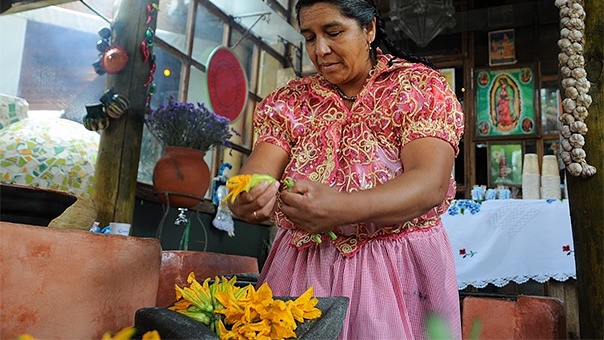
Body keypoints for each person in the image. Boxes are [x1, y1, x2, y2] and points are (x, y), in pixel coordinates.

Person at [227, 0, 464, 338]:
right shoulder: (291, 102)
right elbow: (255, 173)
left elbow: (429, 184)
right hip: (305, 270)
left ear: (369, 30)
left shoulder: (418, 89)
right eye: (309, 37)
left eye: (333, 32)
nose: (320, 49)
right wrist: (246, 195)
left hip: (398, 267)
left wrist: (338, 208)